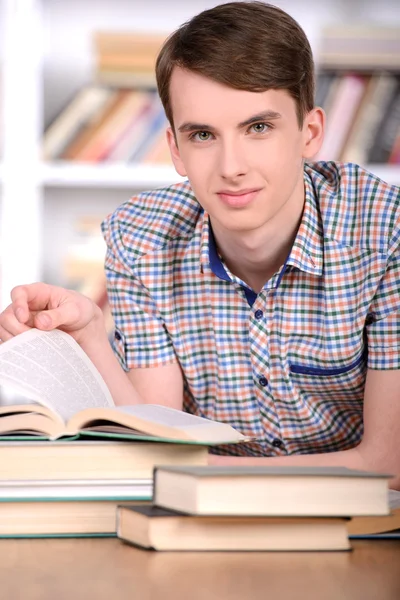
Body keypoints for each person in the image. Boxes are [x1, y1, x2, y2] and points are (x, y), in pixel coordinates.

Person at [0, 2, 399, 484]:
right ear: (175, 148)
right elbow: (154, 432)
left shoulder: (385, 231)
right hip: (199, 520)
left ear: (310, 132)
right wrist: (88, 334)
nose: (231, 166)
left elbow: (388, 463)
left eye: (258, 128)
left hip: (364, 527)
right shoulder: (140, 238)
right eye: (204, 134)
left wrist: (202, 471)